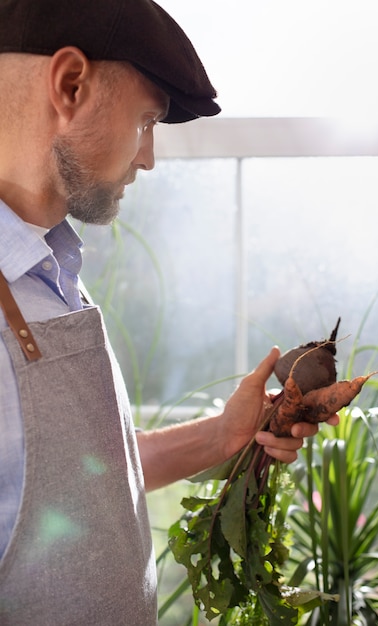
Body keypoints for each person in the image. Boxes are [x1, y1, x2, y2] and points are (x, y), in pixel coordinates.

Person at [0, 1, 338, 624]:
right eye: (146, 120)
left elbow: (79, 477)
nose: (149, 156)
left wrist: (220, 436)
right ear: (70, 85)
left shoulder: (51, 275)